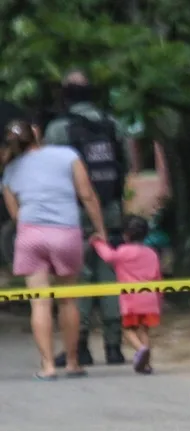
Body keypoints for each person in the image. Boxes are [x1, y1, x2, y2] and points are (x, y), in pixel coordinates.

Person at [0, 118, 107, 380]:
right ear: (36, 133)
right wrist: (100, 229)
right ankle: (72, 362)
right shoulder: (67, 155)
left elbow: (16, 215)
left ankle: (47, 366)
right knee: (68, 299)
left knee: (40, 303)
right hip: (65, 233)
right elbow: (87, 195)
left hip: (31, 235)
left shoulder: (9, 171)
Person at [44, 69, 133, 368]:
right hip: (111, 212)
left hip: (73, 214)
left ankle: (78, 346)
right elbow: (127, 166)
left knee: (77, 279)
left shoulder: (59, 129)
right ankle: (113, 346)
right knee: (109, 277)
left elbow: (50, 172)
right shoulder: (112, 125)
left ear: (66, 95)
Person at [89, 215, 162, 374]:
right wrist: (159, 298)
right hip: (149, 299)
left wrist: (97, 242)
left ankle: (141, 349)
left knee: (127, 329)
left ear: (125, 235)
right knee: (144, 330)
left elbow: (108, 257)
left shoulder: (123, 251)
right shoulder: (152, 253)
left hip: (131, 299)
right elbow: (158, 277)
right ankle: (146, 364)